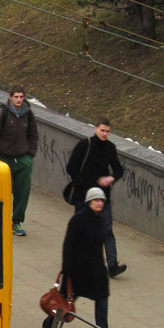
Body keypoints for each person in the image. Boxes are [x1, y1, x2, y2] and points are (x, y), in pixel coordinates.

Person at [43, 187, 117, 328]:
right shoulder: (79, 219)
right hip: (78, 270)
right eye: (96, 200)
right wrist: (67, 269)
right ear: (89, 202)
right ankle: (50, 323)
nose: (99, 203)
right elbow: (68, 245)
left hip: (96, 269)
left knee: (102, 297)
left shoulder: (100, 219)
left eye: (101, 201)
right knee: (65, 301)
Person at [66, 118, 127, 278]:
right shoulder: (85, 145)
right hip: (84, 197)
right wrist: (85, 186)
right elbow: (71, 167)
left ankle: (112, 265)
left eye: (107, 131)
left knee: (107, 229)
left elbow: (119, 169)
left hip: (103, 196)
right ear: (95, 129)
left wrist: (111, 178)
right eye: (102, 130)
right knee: (81, 229)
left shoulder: (110, 148)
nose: (105, 134)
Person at [0, 85, 38, 237]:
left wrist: (30, 154)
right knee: (2, 191)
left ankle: (16, 221)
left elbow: (33, 135)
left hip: (23, 159)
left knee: (22, 192)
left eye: (21, 97)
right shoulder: (2, 113)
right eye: (16, 97)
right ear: (10, 97)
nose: (19, 100)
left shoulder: (28, 115)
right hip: (3, 158)